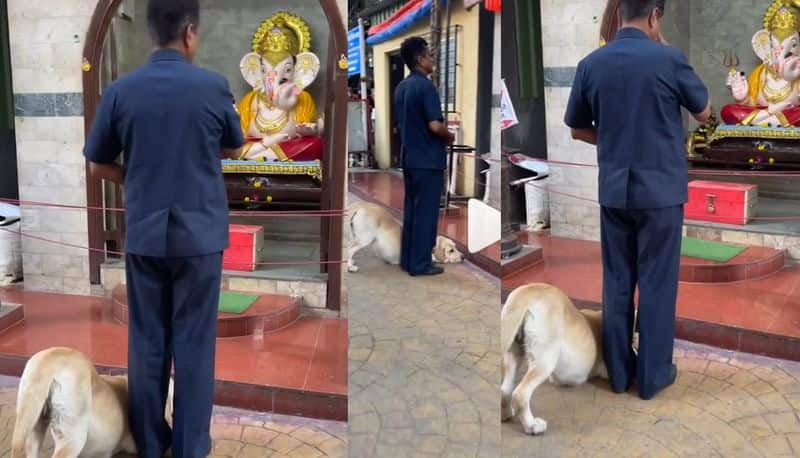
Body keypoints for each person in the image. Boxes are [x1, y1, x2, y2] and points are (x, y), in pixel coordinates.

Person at [83, 0, 244, 455]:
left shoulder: (120, 90)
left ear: (154, 31)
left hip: (146, 237)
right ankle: (192, 446)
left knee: (147, 343)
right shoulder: (214, 87)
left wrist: (134, 177)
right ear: (190, 32)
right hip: (200, 240)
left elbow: (97, 164)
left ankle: (150, 444)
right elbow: (234, 150)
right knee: (194, 344)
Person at [564, 0, 711, 400]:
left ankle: (617, 373)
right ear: (654, 15)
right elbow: (704, 112)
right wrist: (663, 45)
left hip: (614, 191)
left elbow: (577, 128)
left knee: (616, 282)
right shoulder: (669, 59)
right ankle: (652, 376)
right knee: (657, 284)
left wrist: (611, 139)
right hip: (661, 194)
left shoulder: (592, 64)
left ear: (620, 13)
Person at [394, 37, 455, 276]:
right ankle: (420, 264)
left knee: (411, 211)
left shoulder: (402, 87)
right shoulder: (426, 87)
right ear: (420, 59)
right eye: (430, 55)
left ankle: (408, 260)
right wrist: (449, 136)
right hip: (428, 161)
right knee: (426, 214)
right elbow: (435, 126)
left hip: (409, 158)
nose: (433, 59)